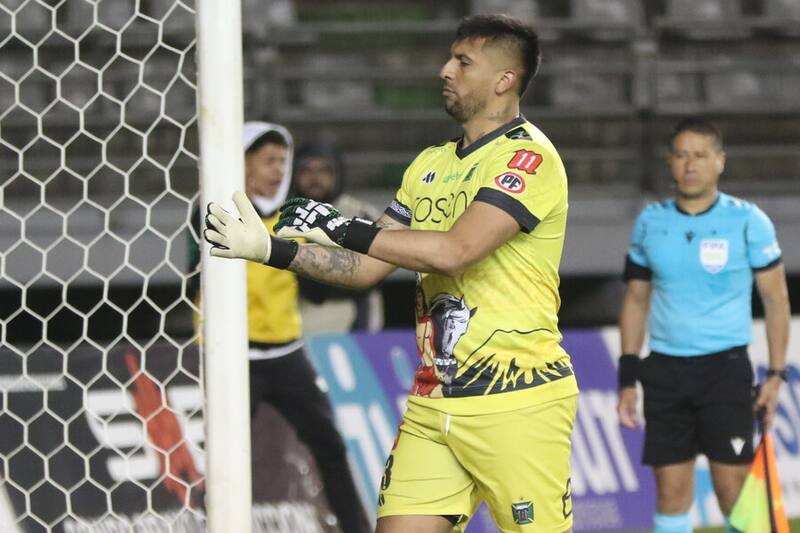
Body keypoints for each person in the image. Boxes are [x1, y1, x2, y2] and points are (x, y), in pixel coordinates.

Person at [205, 15, 578, 533]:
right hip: (433, 401)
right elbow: (364, 268)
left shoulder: (528, 158)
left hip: (515, 400)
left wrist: (342, 228)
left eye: (463, 62)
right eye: (449, 57)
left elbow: (456, 251)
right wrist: (273, 249)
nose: (445, 70)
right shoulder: (429, 164)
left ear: (504, 79)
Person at [188, 121, 371, 533]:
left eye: (282, 161)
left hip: (287, 354)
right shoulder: (212, 210)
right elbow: (191, 278)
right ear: (241, 163)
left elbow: (318, 293)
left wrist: (339, 247)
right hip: (233, 358)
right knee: (224, 461)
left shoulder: (292, 214)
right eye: (268, 160)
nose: (278, 169)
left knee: (330, 446)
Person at [615, 118, 791, 533]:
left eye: (699, 155)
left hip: (724, 372)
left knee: (734, 493)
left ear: (720, 161)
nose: (689, 164)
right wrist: (627, 379)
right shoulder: (650, 222)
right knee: (671, 494)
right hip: (664, 371)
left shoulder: (748, 220)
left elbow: (776, 300)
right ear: (670, 162)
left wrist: (776, 375)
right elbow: (636, 299)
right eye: (681, 155)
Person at [292, 143, 384, 333]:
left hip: (353, 330)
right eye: (306, 170)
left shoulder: (360, 214)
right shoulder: (283, 216)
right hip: (294, 328)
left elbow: (376, 271)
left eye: (324, 170)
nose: (315, 178)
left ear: (338, 174)